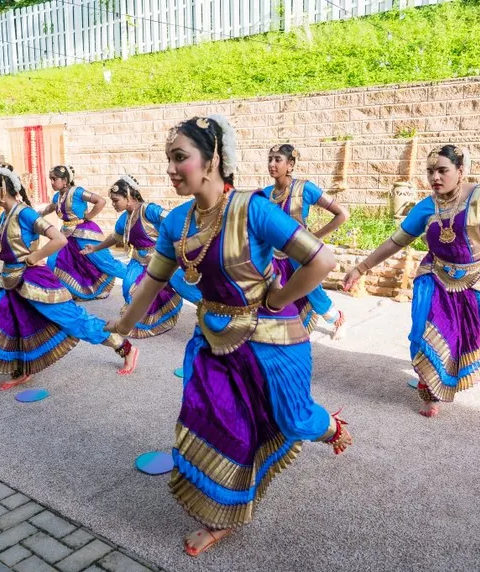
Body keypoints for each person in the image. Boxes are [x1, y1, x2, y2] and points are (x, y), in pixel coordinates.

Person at [109, 116, 352, 557]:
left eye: (179, 158)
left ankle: (330, 426)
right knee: (215, 424)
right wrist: (122, 326)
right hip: (213, 341)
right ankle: (220, 515)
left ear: (213, 159)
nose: (170, 169)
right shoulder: (177, 222)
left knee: (295, 419)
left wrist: (279, 298)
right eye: (169, 159)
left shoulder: (253, 210)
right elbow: (152, 281)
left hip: (272, 339)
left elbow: (322, 260)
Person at [343, 144, 480, 417]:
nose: (435, 177)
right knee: (423, 331)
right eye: (430, 171)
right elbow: (395, 242)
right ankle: (430, 388)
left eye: (442, 170)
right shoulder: (426, 207)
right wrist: (361, 268)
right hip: (437, 274)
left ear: (461, 171)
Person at [0, 161, 138, 391]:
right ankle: (24, 368)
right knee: (13, 324)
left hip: (33, 281)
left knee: (73, 319)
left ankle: (124, 347)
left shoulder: (25, 213)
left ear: (1, 191)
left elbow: (58, 239)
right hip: (9, 281)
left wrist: (35, 256)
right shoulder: (4, 216)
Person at [81, 176, 201, 338]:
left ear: (128, 197)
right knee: (129, 287)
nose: (113, 204)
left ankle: (213, 312)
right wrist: (96, 247)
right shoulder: (124, 219)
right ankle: (151, 316)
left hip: (161, 259)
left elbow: (173, 220)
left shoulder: (149, 210)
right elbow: (115, 237)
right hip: (138, 260)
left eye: (116, 200)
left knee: (186, 287)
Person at [264, 144, 349, 339]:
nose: (272, 164)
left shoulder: (305, 188)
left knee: (314, 294)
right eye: (269, 159)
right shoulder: (266, 194)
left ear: (290, 165)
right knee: (273, 297)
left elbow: (342, 214)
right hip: (274, 257)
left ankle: (338, 319)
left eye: (278, 160)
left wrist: (314, 238)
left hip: (301, 255)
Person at [40, 165, 126, 300]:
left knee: (102, 261)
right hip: (66, 234)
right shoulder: (57, 196)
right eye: (50, 179)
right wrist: (37, 214)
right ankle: (68, 291)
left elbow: (100, 201)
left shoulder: (77, 192)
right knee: (55, 261)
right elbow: (50, 208)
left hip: (84, 231)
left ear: (65, 180)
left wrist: (89, 216)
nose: (51, 182)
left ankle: (140, 277)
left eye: (54, 179)